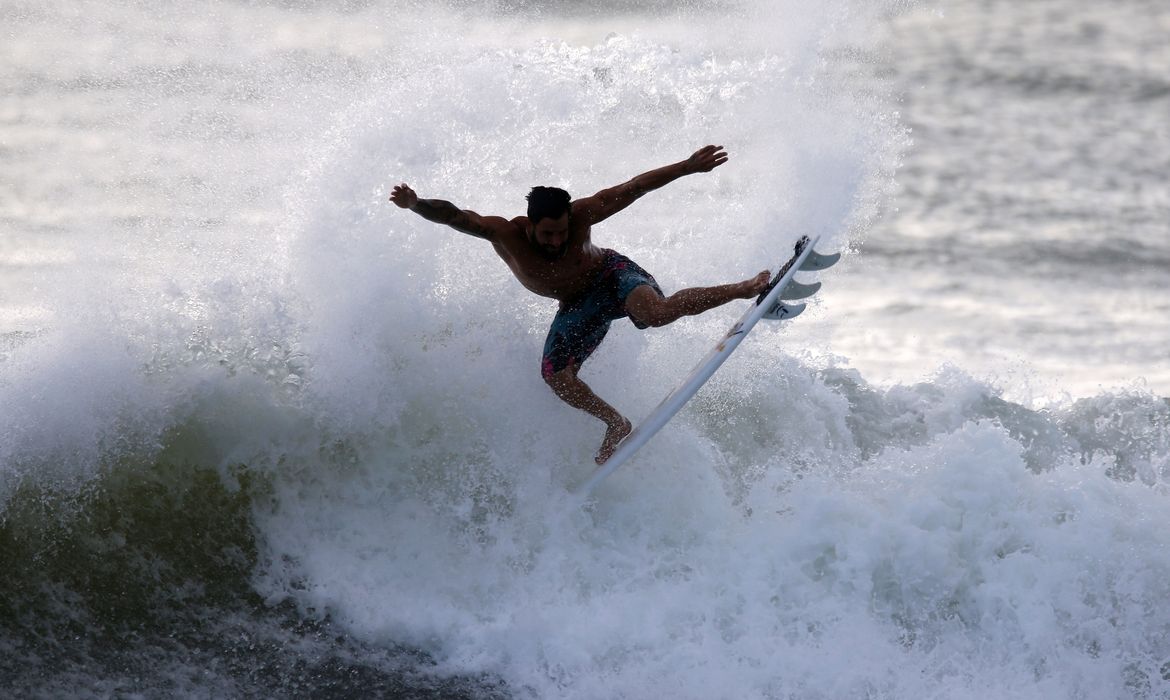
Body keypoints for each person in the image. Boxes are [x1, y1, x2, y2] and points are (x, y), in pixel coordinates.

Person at [390, 145, 769, 464]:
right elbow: (455, 215)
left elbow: (635, 187)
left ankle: (743, 288)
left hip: (612, 275)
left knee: (655, 313)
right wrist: (416, 203)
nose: (556, 241)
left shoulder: (584, 213)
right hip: (577, 306)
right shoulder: (504, 233)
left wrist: (686, 167)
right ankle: (615, 422)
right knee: (556, 377)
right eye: (547, 234)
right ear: (529, 225)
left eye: (562, 232)